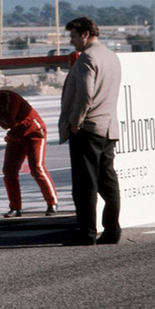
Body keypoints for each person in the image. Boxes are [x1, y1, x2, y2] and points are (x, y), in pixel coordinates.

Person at [59, 16, 122, 246]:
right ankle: (112, 230)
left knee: (85, 184)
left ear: (85, 34)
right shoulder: (111, 56)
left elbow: (85, 94)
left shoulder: (87, 58)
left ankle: (87, 232)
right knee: (108, 182)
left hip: (88, 128)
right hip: (108, 127)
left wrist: (75, 122)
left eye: (74, 36)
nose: (72, 41)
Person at [0, 79, 58, 218]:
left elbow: (10, 120)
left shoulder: (8, 97)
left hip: (33, 132)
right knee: (9, 171)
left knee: (37, 168)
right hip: (16, 136)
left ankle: (52, 202)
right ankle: (15, 207)